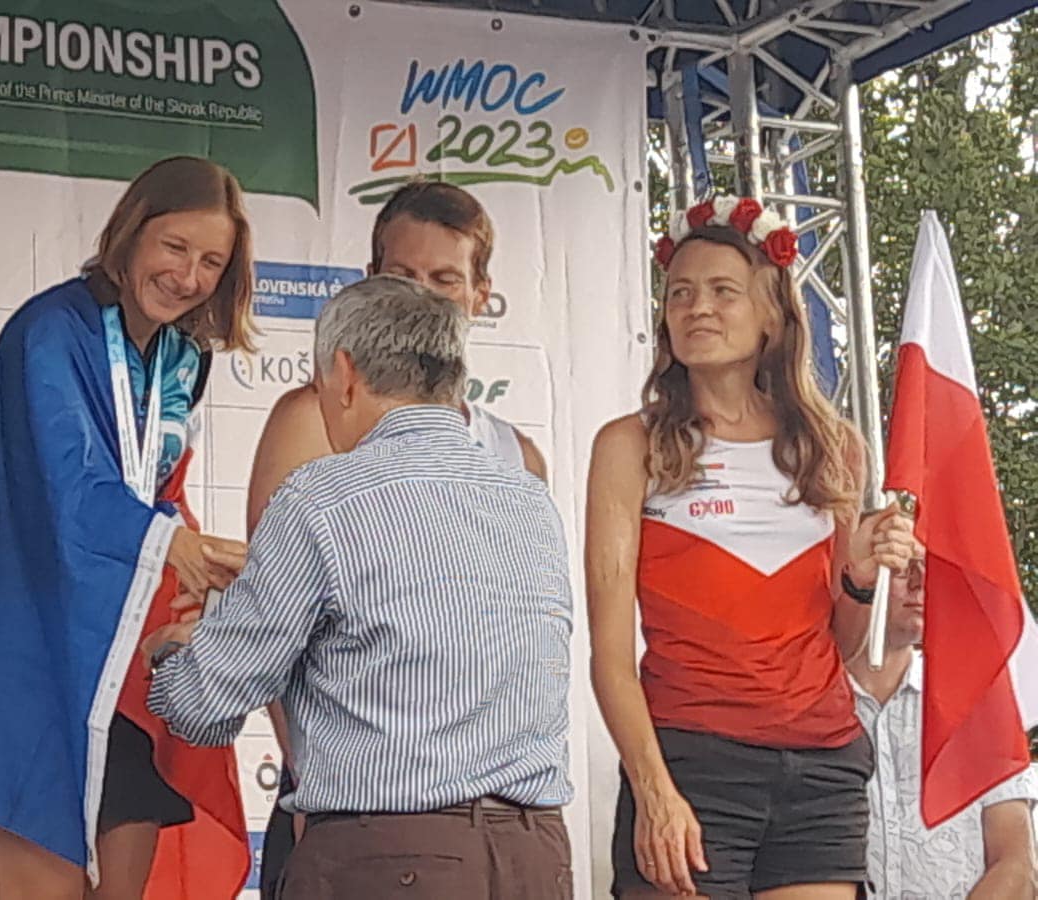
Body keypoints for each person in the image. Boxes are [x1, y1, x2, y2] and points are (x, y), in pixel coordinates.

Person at [143, 274, 576, 899]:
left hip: (389, 857)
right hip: (536, 857)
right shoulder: (530, 500)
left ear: (344, 374)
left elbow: (206, 706)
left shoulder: (322, 497)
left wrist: (173, 651)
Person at [0, 156, 256, 900]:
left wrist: (193, 570)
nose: (188, 276)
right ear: (131, 233)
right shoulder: (50, 330)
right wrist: (170, 546)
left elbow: (156, 489)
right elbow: (66, 481)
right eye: (175, 247)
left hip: (118, 664)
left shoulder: (184, 357)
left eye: (211, 261)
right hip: (27, 655)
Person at [586, 196, 922, 898]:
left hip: (822, 769)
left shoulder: (834, 448)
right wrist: (654, 790)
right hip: (694, 761)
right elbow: (610, 657)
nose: (697, 308)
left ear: (772, 313)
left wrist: (860, 579)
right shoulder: (631, 445)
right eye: (681, 293)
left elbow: (843, 644)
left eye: (722, 291)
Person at [249, 179, 545, 896]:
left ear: (480, 296)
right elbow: (272, 627)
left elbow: (525, 652)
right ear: (369, 281)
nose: (420, 296)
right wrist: (312, 781)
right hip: (351, 806)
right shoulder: (312, 418)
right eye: (401, 275)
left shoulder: (518, 456)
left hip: (494, 820)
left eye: (444, 279)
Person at [849, 561, 1038, 898]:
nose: (919, 583)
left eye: (928, 567)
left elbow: (1017, 862)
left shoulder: (978, 702)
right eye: (900, 567)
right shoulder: (806, 708)